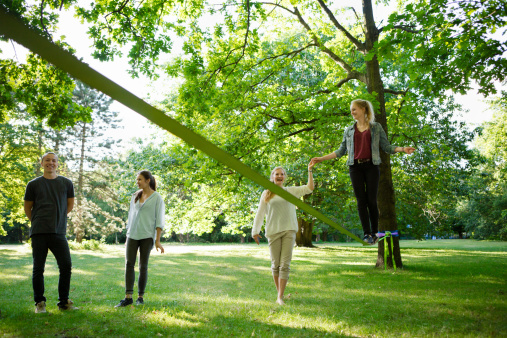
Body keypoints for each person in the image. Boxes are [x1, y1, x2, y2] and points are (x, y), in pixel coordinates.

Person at [311, 99, 415, 244]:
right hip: (355, 167)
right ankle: (367, 234)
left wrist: (403, 149)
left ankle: (374, 233)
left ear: (363, 109)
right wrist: (321, 158)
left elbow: (387, 147)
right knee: (361, 201)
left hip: (372, 166)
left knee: (371, 200)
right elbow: (341, 151)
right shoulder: (349, 130)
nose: (352, 112)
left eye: (354, 109)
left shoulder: (376, 127)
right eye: (351, 110)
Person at [252, 162, 314, 305]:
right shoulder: (266, 193)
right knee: (275, 264)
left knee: (284, 265)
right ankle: (279, 293)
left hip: (289, 230)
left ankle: (280, 297)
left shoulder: (291, 191)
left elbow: (310, 188)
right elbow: (260, 213)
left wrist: (310, 170)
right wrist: (255, 231)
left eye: (282, 174)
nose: (279, 176)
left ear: (285, 177)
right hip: (273, 231)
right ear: (272, 177)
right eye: (276, 174)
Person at [24, 152, 77, 313]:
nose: (51, 163)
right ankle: (40, 303)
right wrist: (39, 221)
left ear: (57, 164)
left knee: (66, 266)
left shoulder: (66, 183)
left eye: (54, 161)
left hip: (58, 231)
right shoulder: (33, 184)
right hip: (39, 231)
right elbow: (28, 208)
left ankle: (63, 302)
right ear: (42, 163)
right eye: (47, 160)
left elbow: (69, 206)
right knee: (38, 268)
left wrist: (58, 219)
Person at [115, 170, 165, 307]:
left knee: (143, 266)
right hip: (132, 235)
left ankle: (140, 297)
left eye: (140, 179)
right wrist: (127, 236)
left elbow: (160, 220)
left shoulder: (157, 198)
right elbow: (131, 217)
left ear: (148, 180)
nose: (137, 182)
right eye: (137, 180)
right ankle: (128, 297)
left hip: (147, 236)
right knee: (128, 264)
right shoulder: (135, 196)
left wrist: (157, 240)